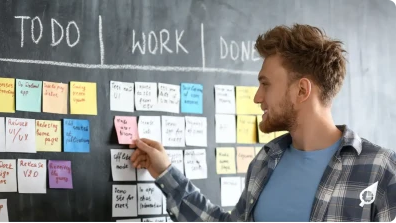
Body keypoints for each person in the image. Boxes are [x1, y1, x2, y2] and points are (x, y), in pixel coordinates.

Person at [130, 24, 396, 222]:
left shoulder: (380, 171)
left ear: (302, 91)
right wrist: (165, 172)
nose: (257, 97)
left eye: (265, 84)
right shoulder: (266, 162)